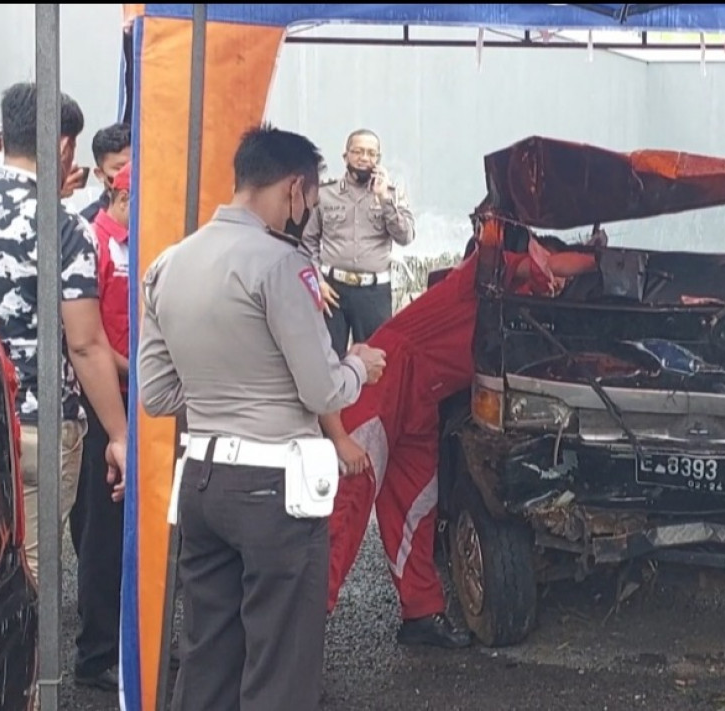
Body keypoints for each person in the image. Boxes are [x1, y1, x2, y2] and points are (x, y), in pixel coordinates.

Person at [138, 124, 387, 711]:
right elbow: (321, 386)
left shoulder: (167, 264)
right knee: (280, 664)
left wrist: (218, 390)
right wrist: (357, 365)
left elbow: (156, 394)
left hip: (201, 478)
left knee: (206, 657)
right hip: (275, 488)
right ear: (295, 188)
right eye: (310, 198)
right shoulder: (282, 265)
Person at [326, 233, 596, 647]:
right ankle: (297, 633)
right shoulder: (484, 274)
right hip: (386, 382)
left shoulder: (527, 308)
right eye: (550, 267)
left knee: (416, 509)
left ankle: (420, 615)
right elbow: (551, 267)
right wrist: (601, 259)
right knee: (347, 508)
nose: (555, 281)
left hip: (424, 398)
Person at [0, 82, 128, 586]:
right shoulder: (63, 228)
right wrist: (118, 434)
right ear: (64, 147)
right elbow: (85, 342)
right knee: (21, 587)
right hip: (34, 426)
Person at [68, 161, 132, 691]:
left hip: (140, 392)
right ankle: (97, 652)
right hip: (103, 398)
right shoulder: (93, 241)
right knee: (103, 527)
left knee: (141, 522)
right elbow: (86, 335)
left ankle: (132, 637)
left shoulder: (137, 243)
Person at [303, 129, 416, 356]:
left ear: (378, 160)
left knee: (376, 360)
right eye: (358, 151)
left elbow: (405, 237)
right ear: (345, 157)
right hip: (332, 289)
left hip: (373, 293)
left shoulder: (391, 195)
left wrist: (384, 199)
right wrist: (317, 283)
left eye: (371, 153)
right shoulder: (326, 193)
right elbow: (307, 243)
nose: (365, 158)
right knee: (328, 359)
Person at [80, 122, 131, 223]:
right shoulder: (88, 224)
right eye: (119, 168)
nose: (128, 173)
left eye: (134, 166)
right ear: (100, 174)